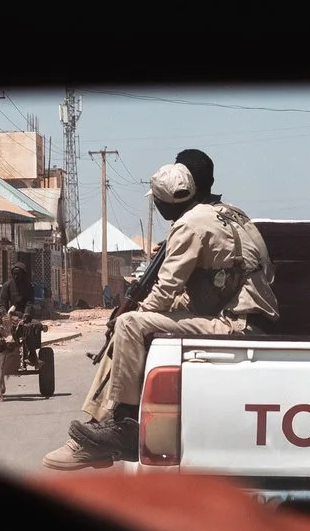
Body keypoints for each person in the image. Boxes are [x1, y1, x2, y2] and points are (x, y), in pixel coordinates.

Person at [45, 150, 277, 469]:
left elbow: (164, 292)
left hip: (236, 324)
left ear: (165, 202)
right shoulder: (234, 213)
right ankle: (99, 425)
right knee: (137, 321)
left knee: (129, 326)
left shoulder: (190, 224)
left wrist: (132, 312)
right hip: (251, 316)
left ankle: (123, 424)